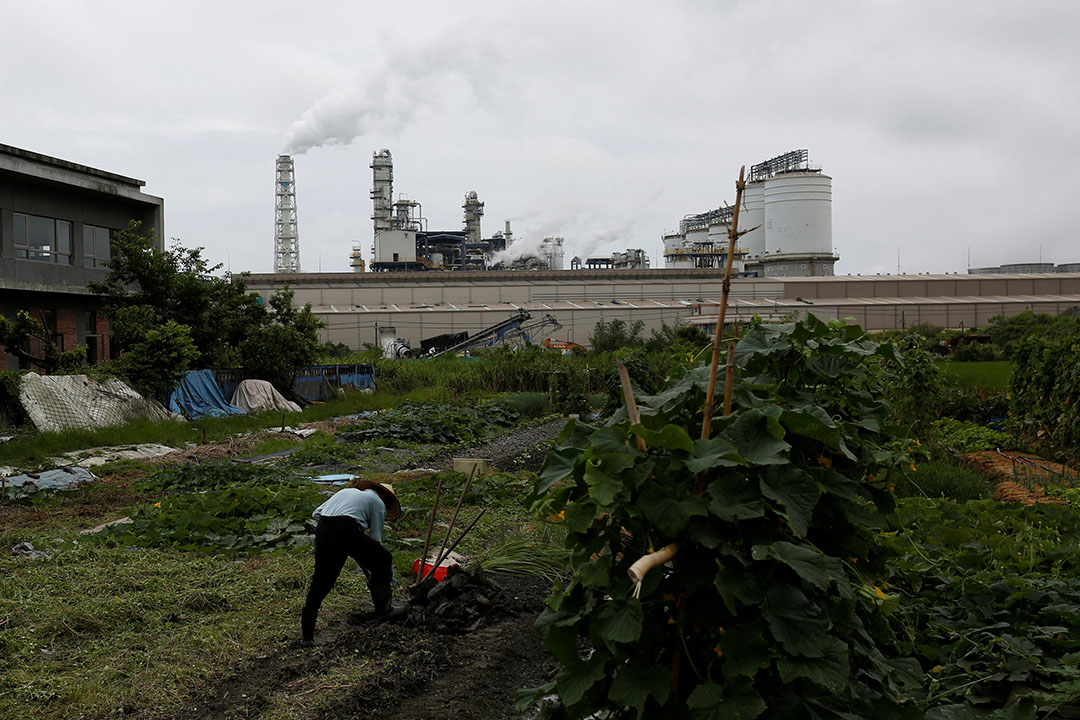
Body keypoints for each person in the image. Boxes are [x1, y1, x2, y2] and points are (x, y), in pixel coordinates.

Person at [301, 480, 408, 646]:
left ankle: (307, 637)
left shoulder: (345, 492)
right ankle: (385, 611)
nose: (385, 508)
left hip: (323, 529)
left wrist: (350, 543)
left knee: (322, 582)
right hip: (346, 528)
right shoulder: (378, 502)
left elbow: (316, 514)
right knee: (383, 558)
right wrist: (384, 576)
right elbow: (376, 540)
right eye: (388, 504)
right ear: (383, 495)